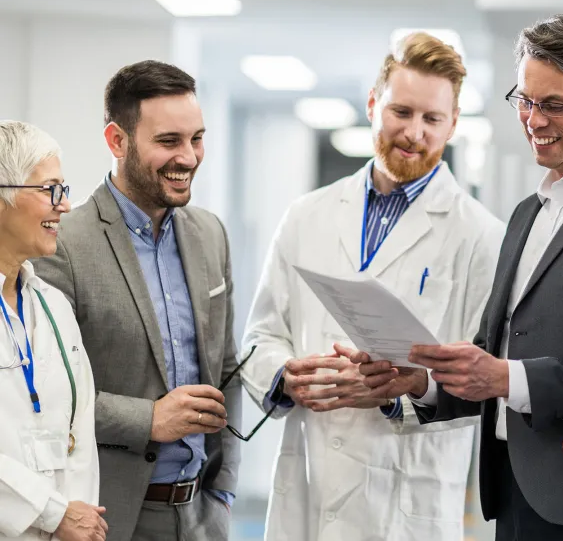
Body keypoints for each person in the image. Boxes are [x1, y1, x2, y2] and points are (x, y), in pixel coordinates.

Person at [355, 14, 563, 540]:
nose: (534, 119)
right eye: (525, 100)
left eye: (555, 104)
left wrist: (511, 378)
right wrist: (422, 384)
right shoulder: (525, 215)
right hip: (513, 492)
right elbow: (494, 352)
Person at [238, 32, 504, 541]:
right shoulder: (307, 216)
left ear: (452, 124)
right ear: (372, 104)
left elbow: (482, 383)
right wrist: (284, 378)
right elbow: (261, 336)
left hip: (406, 494)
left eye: (432, 119)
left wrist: (407, 385)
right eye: (401, 112)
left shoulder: (481, 236)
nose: (414, 133)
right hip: (311, 476)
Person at [33, 61, 241, 541]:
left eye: (197, 139)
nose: (188, 157)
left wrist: (223, 493)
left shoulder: (210, 235)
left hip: (202, 518)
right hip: (112, 519)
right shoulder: (64, 245)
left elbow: (226, 368)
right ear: (117, 141)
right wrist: (150, 420)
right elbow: (45, 396)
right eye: (168, 142)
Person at [0, 121, 106, 541]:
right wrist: (50, 512)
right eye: (50, 190)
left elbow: (79, 441)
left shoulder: (53, 307)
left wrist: (73, 520)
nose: (64, 206)